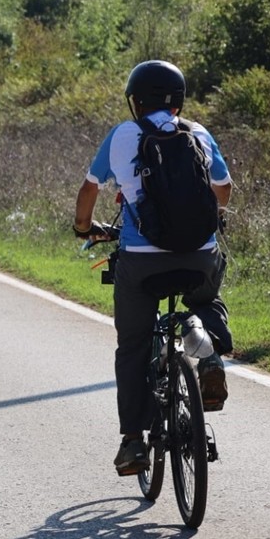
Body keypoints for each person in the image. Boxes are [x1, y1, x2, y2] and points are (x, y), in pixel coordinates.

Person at [72, 59, 233, 477]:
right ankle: (209, 354)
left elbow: (90, 188)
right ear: (178, 99)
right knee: (205, 294)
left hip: (142, 262)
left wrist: (83, 226)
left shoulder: (123, 135)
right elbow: (224, 190)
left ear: (135, 101)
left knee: (133, 346)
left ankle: (133, 443)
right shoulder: (197, 132)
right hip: (199, 254)